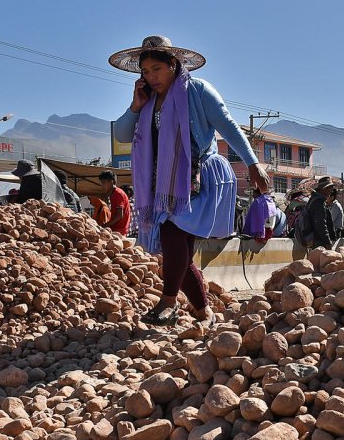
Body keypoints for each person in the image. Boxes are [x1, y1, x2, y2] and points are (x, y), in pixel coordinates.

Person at [111, 35, 269, 326]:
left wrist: (253, 163)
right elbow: (122, 134)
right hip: (162, 183)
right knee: (179, 251)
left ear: (174, 64)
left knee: (172, 233)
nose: (151, 76)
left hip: (197, 178)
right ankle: (202, 311)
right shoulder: (147, 101)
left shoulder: (197, 91)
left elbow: (228, 126)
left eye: (156, 69)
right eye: (145, 72)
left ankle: (168, 302)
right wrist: (135, 106)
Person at [301, 177, 336, 249]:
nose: (331, 191)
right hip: (319, 241)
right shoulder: (319, 202)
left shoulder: (314, 199)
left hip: (316, 239)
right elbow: (321, 224)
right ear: (324, 189)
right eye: (330, 188)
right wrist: (328, 242)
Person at [98, 170, 131, 235]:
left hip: (119, 231)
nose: (102, 185)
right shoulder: (114, 194)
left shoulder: (117, 193)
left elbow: (119, 216)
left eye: (104, 182)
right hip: (117, 230)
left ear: (111, 182)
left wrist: (105, 225)